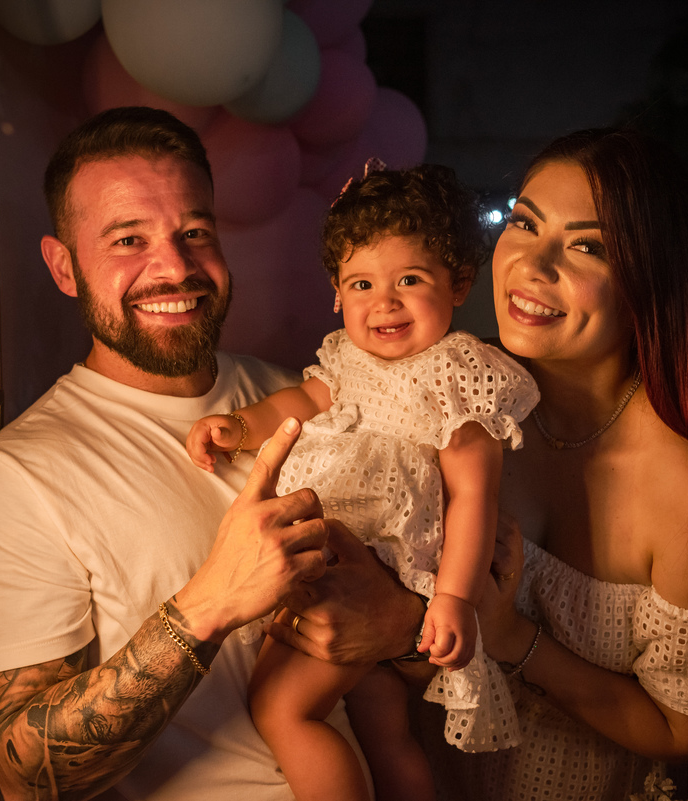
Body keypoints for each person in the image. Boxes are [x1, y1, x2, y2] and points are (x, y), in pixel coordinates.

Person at [0, 106, 427, 801]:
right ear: (64, 266)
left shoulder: (299, 394)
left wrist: (400, 626)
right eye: (128, 239)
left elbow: (438, 636)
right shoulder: (20, 478)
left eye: (194, 231)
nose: (173, 266)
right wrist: (208, 605)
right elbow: (17, 773)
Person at [415, 128, 688, 800]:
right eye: (524, 223)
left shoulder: (686, 490)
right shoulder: (454, 389)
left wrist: (512, 638)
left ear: (649, 280)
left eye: (587, 245)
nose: (533, 264)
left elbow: (684, 730)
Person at [186, 163, 540, 801]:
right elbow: (297, 399)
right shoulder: (345, 362)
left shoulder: (458, 375)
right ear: (336, 292)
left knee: (281, 710)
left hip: (375, 566)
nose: (385, 302)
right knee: (384, 730)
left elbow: (473, 498)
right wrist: (238, 427)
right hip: (340, 558)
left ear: (458, 283)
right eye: (362, 283)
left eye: (410, 279)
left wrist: (454, 599)